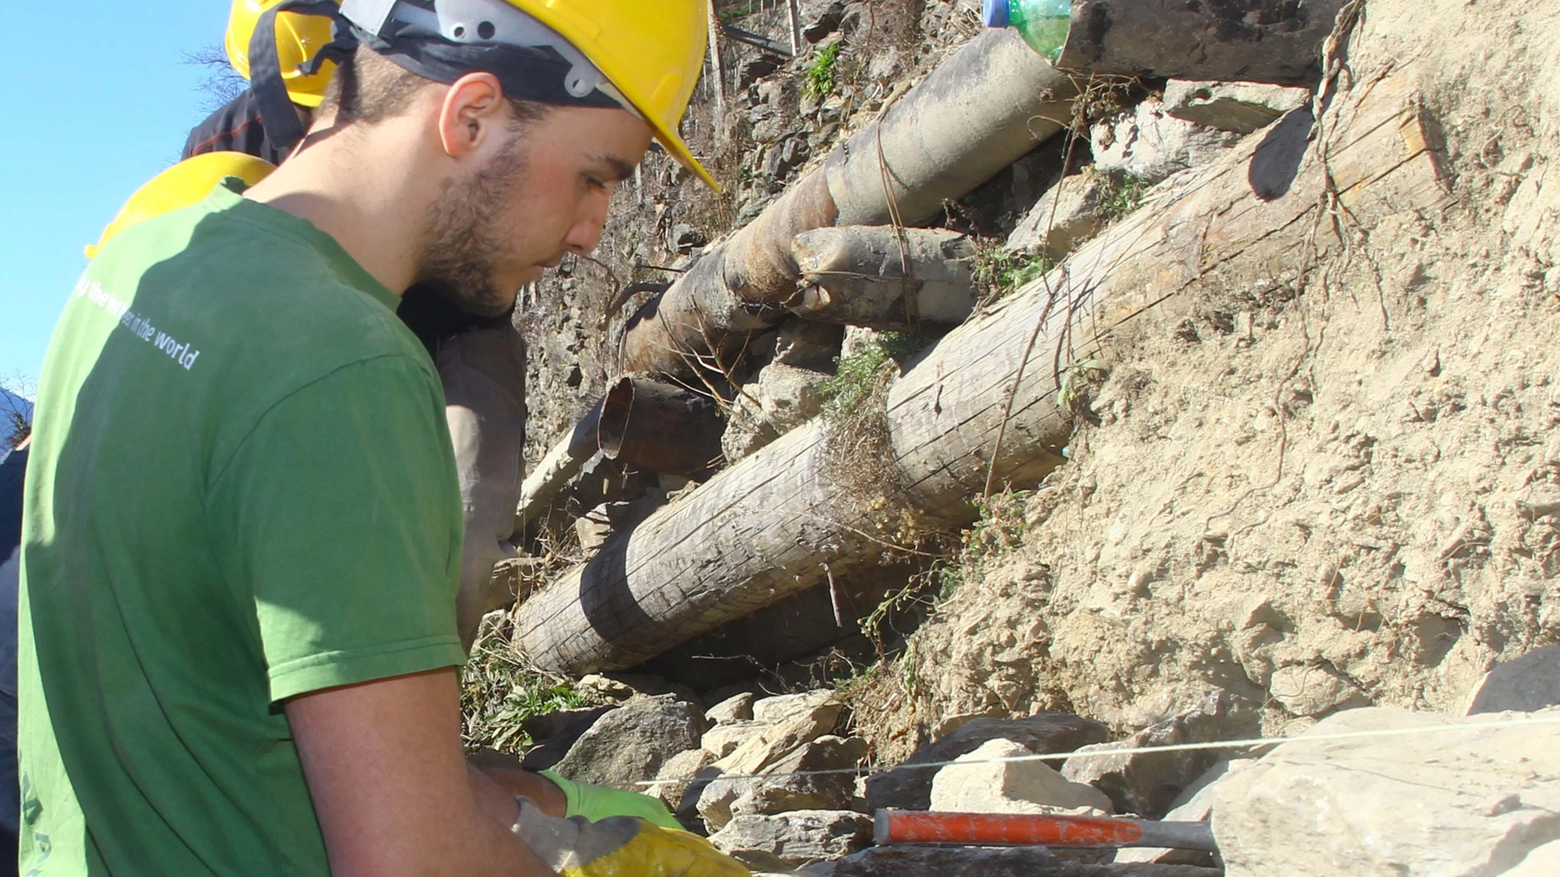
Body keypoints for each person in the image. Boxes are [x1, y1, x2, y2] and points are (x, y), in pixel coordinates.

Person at [19, 0, 737, 874]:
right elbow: (410, 862)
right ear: (470, 114)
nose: (591, 234)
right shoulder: (345, 368)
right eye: (594, 177)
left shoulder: (143, 258)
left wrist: (553, 807)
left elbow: (232, 726)